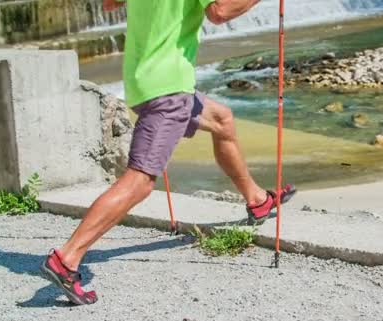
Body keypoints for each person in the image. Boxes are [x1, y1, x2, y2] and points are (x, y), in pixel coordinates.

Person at [40, 0, 296, 305]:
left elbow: (109, 4)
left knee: (222, 120)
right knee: (141, 180)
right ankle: (66, 258)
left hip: (142, 80)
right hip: (168, 89)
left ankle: (257, 201)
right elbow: (220, 11)